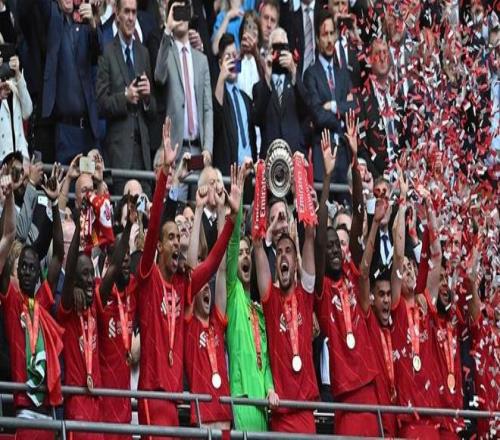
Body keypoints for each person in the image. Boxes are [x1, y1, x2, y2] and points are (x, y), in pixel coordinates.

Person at [135, 117, 240, 435]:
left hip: (175, 398)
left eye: (178, 238)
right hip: (152, 394)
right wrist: (164, 175)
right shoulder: (148, 275)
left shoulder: (184, 285)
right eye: (170, 238)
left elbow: (213, 262)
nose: (176, 242)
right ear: (159, 247)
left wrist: (232, 218)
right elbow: (155, 223)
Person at [314, 118, 381, 437]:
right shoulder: (322, 289)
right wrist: (326, 177)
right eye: (329, 247)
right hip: (344, 396)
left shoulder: (353, 275)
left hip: (369, 384)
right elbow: (318, 236)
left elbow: (358, 213)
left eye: (337, 246)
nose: (334, 250)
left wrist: (354, 161)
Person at [254, 155, 318, 433]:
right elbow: (258, 246)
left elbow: (310, 234)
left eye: (288, 251)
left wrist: (301, 178)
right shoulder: (270, 301)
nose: (283, 255)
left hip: (306, 413)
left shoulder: (306, 294)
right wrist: (260, 181)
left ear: (295, 262)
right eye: (279, 251)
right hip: (281, 417)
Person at [0, 166, 64, 440]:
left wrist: (54, 204)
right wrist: (9, 198)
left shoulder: (42, 302)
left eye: (31, 267)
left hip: (48, 412)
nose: (26, 271)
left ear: (39, 273)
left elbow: (58, 255)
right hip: (23, 412)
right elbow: (7, 239)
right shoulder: (12, 302)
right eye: (22, 267)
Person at [183, 164, 244, 429]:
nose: (206, 288)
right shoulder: (188, 323)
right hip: (202, 420)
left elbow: (220, 268)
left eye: (208, 287)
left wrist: (221, 211)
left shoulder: (218, 321)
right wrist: (198, 210)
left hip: (225, 419)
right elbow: (192, 270)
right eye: (202, 287)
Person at [225, 158, 277, 431]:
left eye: (249, 253)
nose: (245, 256)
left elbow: (265, 358)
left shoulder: (259, 310)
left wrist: (270, 387)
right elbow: (233, 244)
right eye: (242, 254)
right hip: (242, 397)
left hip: (263, 404)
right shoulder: (233, 295)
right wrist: (243, 190)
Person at [358, 166, 408, 437]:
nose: (387, 300)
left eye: (389, 295)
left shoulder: (397, 319)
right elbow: (364, 272)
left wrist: (403, 203)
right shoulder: (369, 320)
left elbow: (399, 259)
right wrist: (375, 223)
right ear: (372, 298)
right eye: (382, 295)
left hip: (399, 414)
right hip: (377, 419)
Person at [390, 187, 443, 439]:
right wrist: (401, 203)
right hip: (408, 421)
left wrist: (429, 208)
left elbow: (437, 257)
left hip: (432, 418)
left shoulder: (424, 303)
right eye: (406, 268)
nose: (409, 270)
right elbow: (398, 255)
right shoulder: (396, 305)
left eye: (412, 266)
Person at [96, 0, 157, 196]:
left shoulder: (143, 53)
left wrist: (146, 98)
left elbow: (153, 109)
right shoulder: (107, 52)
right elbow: (101, 104)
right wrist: (125, 97)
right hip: (119, 153)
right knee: (121, 209)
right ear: (117, 15)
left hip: (143, 155)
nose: (131, 18)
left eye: (134, 12)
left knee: (145, 209)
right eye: (127, 12)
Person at [155, 0, 213, 196]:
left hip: (199, 150)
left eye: (184, 11)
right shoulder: (168, 53)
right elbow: (159, 76)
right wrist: (168, 28)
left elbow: (207, 108)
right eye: (176, 11)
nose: (181, 16)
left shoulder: (201, 59)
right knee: (175, 207)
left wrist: (208, 148)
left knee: (201, 206)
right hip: (176, 151)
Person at [57, 199, 104, 439]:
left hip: (98, 403)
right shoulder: (67, 309)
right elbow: (68, 272)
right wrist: (78, 228)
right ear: (74, 279)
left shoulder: (95, 302)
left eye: (91, 274)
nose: (90, 279)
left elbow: (113, 269)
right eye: (84, 275)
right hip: (76, 404)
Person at [37, 0, 102, 164]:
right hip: (65, 130)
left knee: (92, 178)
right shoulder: (53, 18)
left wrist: (93, 23)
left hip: (89, 129)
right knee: (68, 178)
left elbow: (99, 51)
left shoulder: (85, 22)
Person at [94, 198, 137, 440]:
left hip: (125, 409)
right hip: (104, 410)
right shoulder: (101, 292)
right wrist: (128, 227)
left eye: (129, 253)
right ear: (110, 262)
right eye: (122, 254)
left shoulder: (133, 290)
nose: (126, 259)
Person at [303, 10, 355, 184]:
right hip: (321, 155)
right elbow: (318, 115)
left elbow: (353, 108)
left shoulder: (343, 74)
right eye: (325, 34)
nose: (329, 39)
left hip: (344, 156)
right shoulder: (311, 74)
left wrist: (332, 106)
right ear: (317, 39)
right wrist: (341, 119)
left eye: (332, 33)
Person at [252, 27, 308, 157]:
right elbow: (257, 119)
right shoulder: (259, 87)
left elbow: (306, 110)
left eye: (283, 48)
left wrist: (293, 71)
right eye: (276, 48)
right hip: (270, 156)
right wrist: (267, 76)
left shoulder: (295, 83)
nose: (279, 53)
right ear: (269, 51)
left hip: (294, 155)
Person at [213, 33, 256, 176]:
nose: (232, 60)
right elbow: (216, 119)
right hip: (228, 175)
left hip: (249, 173)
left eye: (234, 56)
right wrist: (221, 77)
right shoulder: (219, 94)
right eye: (228, 57)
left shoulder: (245, 98)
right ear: (220, 63)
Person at [0, 55, 33, 163]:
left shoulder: (14, 84)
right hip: (3, 159)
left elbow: (27, 111)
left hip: (20, 158)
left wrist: (18, 74)